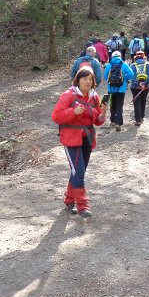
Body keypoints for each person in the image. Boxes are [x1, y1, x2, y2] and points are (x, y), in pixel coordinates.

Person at [51, 66, 107, 217]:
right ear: (78, 80)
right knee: (79, 171)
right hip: (71, 139)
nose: (88, 82)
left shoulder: (94, 97)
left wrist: (103, 113)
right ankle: (83, 206)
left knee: (77, 171)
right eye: (85, 78)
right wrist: (72, 112)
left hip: (87, 139)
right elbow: (56, 116)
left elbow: (97, 121)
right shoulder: (68, 95)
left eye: (90, 79)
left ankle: (69, 200)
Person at [103, 50, 136, 131]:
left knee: (112, 105)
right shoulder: (124, 65)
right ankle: (118, 123)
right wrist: (125, 79)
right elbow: (132, 75)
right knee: (119, 106)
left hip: (111, 89)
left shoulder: (109, 65)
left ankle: (113, 121)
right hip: (121, 89)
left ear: (112, 57)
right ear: (120, 56)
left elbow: (105, 77)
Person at [129, 51, 149, 126]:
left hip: (135, 87)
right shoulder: (148, 64)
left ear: (135, 57)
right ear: (144, 56)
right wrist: (144, 83)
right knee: (143, 101)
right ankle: (142, 116)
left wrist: (138, 83)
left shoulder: (133, 65)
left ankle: (138, 120)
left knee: (136, 102)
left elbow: (131, 76)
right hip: (146, 87)